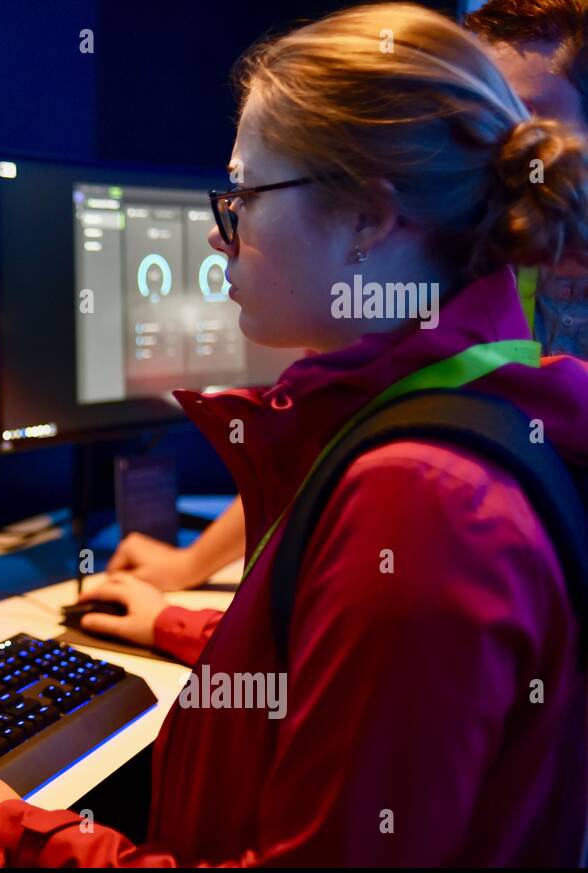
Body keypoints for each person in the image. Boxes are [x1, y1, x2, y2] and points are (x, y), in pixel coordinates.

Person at [0, 2, 588, 866]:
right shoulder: (469, 410)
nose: (216, 226)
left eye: (244, 193)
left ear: (369, 221)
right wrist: (183, 626)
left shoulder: (422, 501)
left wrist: (14, 833)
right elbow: (367, 671)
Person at [102, 0, 588, 629]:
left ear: (367, 216)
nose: (491, 153)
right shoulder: (490, 303)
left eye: (520, 124)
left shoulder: (423, 492)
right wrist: (189, 577)